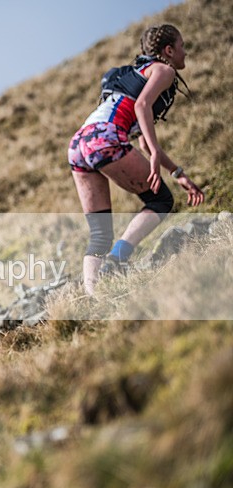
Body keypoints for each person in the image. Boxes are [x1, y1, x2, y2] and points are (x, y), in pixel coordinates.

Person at [67, 23, 204, 295]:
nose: (185, 52)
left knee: (100, 233)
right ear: (168, 50)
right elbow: (142, 106)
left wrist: (177, 173)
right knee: (161, 201)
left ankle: (94, 298)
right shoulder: (164, 70)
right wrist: (154, 154)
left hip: (79, 142)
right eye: (182, 46)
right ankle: (116, 261)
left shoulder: (134, 75)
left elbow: (142, 137)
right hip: (105, 137)